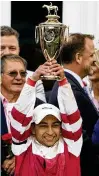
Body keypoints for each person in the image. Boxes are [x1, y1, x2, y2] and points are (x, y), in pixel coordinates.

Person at [10, 60, 82, 176]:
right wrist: (32, 80)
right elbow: (19, 116)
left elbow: (71, 114)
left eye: (55, 125)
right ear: (32, 129)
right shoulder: (23, 147)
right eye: (43, 125)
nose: (50, 132)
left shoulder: (71, 145)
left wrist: (63, 81)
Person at [49, 33, 99, 176]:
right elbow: (79, 136)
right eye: (91, 56)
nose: (94, 61)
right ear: (78, 58)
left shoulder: (72, 86)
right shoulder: (69, 90)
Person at [0, 54, 47, 175]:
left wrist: (21, 159)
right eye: (12, 73)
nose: (19, 78)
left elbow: (50, 143)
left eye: (23, 73)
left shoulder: (39, 106)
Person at [0, 25, 46, 102]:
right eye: (1, 48)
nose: (7, 52)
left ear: (19, 50)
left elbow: (42, 110)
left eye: (12, 48)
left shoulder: (34, 79)